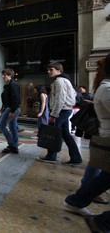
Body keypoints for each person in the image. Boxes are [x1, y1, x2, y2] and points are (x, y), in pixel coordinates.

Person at [64, 54, 110, 226]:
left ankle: (78, 200)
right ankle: (101, 221)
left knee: (105, 175)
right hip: (106, 138)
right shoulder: (106, 89)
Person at [37, 62, 82, 165]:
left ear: (59, 70)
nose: (49, 72)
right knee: (65, 134)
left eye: (51, 69)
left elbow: (60, 100)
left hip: (61, 111)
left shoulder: (59, 81)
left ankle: (51, 156)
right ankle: (76, 158)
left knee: (53, 133)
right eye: (48, 70)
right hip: (66, 110)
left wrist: (53, 115)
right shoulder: (66, 80)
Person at [0, 68, 21, 154]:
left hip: (12, 108)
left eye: (5, 75)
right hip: (10, 108)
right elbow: (7, 99)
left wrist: (12, 111)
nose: (3, 76)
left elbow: (16, 100)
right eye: (3, 75)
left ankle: (12, 144)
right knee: (12, 127)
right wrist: (3, 106)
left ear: (10, 75)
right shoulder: (8, 85)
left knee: (1, 125)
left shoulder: (13, 85)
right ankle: (14, 146)